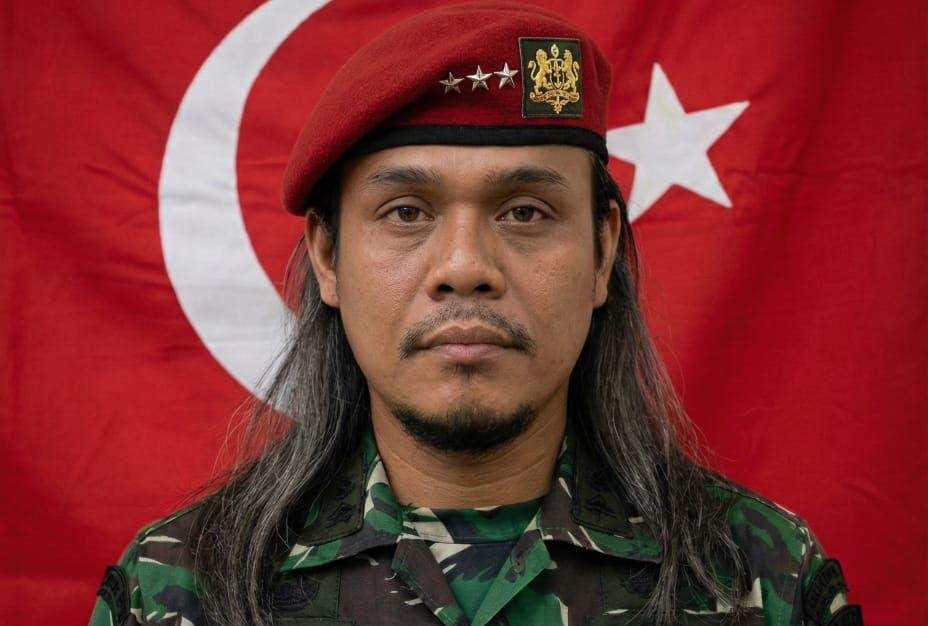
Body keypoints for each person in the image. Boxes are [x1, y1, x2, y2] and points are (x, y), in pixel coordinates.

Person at [88, 2, 862, 625]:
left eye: (525, 212)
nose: (464, 267)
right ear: (328, 258)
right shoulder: (181, 591)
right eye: (405, 212)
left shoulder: (760, 579)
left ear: (602, 254)